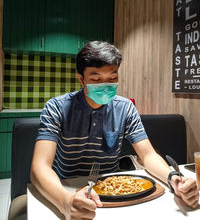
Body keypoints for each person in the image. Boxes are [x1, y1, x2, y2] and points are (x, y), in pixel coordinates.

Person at [30, 41, 199, 220]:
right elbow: (39, 166)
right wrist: (65, 201)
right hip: (65, 188)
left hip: (112, 191)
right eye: (96, 79)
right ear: (81, 79)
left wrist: (173, 178)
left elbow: (148, 155)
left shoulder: (125, 108)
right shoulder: (56, 108)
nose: (105, 84)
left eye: (112, 78)